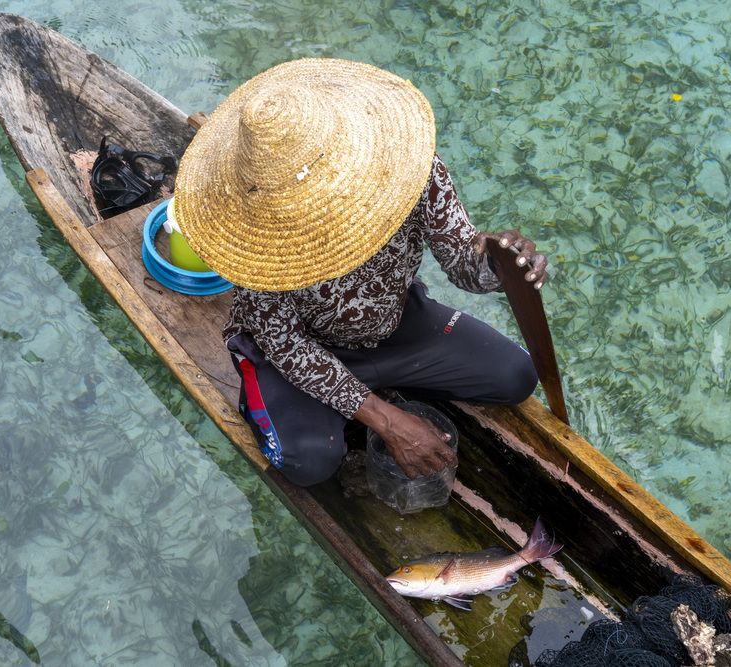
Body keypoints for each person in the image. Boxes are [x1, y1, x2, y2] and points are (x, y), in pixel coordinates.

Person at [173, 58, 549, 486]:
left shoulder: (409, 165)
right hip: (300, 351)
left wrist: (502, 264)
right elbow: (288, 345)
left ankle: (374, 389)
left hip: (394, 322)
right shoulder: (250, 227)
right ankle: (347, 398)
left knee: (516, 375)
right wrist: (387, 421)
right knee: (308, 463)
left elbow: (463, 264)